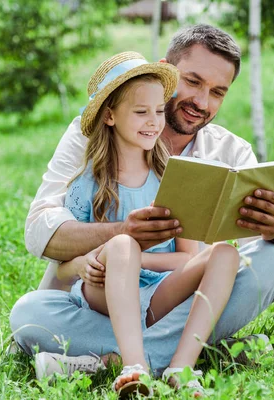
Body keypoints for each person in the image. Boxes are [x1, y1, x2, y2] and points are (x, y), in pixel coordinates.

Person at [10, 23, 274, 380]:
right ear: (167, 70)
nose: (202, 102)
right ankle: (201, 354)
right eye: (193, 82)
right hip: (95, 303)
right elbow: (40, 231)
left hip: (174, 297)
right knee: (28, 314)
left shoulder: (229, 153)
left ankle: (113, 363)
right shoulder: (92, 137)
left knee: (272, 261)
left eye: (218, 92)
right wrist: (122, 236)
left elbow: (271, 266)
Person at [58, 51, 240, 397]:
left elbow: (188, 258)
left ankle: (181, 369)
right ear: (109, 116)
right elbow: (64, 269)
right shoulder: (88, 183)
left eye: (159, 111)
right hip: (102, 295)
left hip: (158, 293)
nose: (154, 122)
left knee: (226, 254)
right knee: (123, 242)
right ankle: (134, 366)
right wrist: (93, 261)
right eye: (141, 112)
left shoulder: (170, 179)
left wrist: (131, 259)